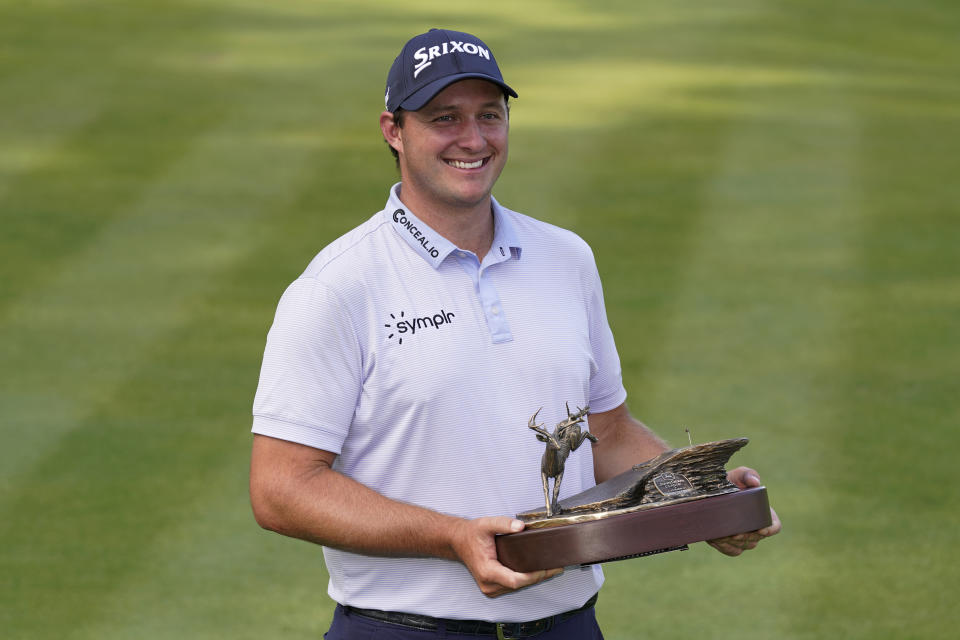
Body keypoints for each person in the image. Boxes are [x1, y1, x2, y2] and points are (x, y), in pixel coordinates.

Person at [249, 28, 780, 639]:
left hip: (568, 626)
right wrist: (452, 538)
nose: (473, 140)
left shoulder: (565, 258)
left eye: (490, 116)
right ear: (394, 131)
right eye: (444, 118)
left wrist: (702, 499)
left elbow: (606, 432)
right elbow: (281, 489)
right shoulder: (338, 287)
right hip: (404, 629)